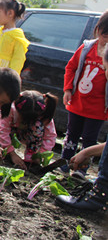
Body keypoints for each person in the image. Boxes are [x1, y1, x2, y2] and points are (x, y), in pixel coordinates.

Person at [56, 45, 108, 212]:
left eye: (106, 68)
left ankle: (100, 196)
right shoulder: (86, 48)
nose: (105, 74)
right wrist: (87, 152)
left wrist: (87, 152)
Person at [60, 10, 108, 177]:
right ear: (98, 30)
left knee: (90, 138)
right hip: (78, 102)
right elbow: (71, 68)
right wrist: (67, 89)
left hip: (98, 108)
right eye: (104, 35)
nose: (105, 39)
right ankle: (65, 161)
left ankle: (81, 168)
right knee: (71, 134)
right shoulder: (87, 48)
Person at [0, 90, 58, 170]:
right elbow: (3, 131)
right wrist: (11, 153)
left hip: (27, 133)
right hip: (10, 128)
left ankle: (31, 156)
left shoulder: (43, 115)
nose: (25, 122)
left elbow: (50, 136)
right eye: (23, 118)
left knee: (38, 126)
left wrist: (40, 154)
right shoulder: (11, 109)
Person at [0, 0, 30, 74]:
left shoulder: (17, 38)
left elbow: (18, 60)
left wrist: (9, 77)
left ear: (10, 13)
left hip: (1, 77)